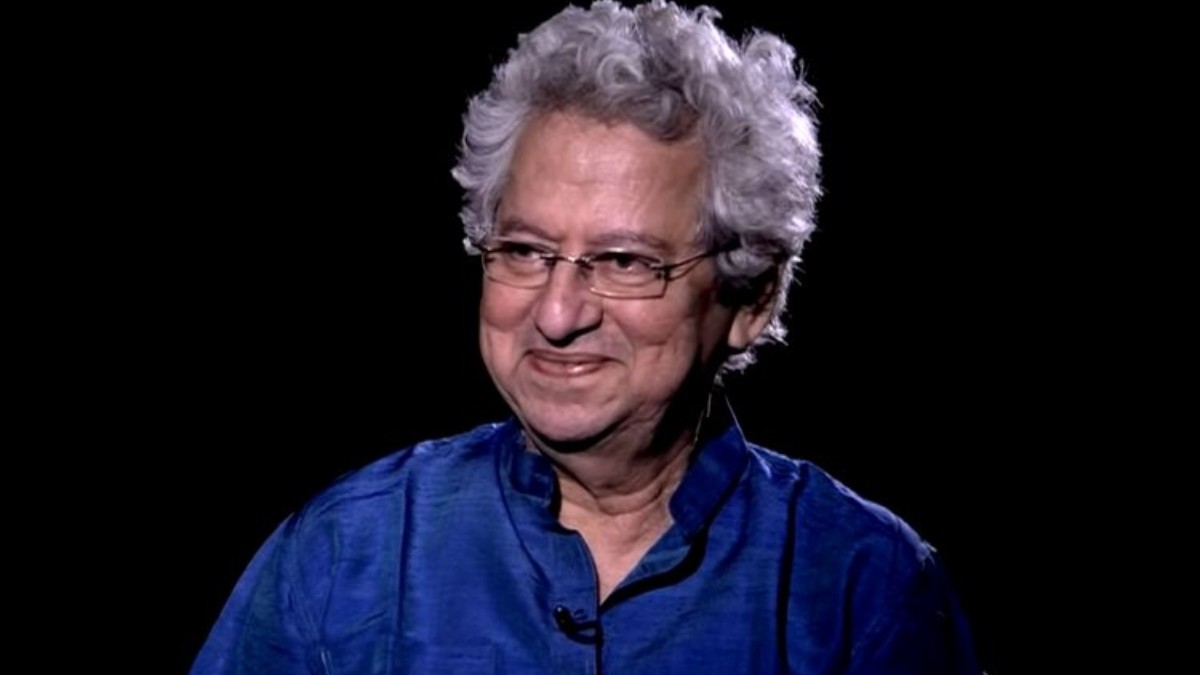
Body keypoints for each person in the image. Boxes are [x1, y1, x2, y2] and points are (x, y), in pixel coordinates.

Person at [191, 1, 980, 673]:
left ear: (751, 297)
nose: (558, 314)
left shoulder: (864, 590)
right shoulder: (342, 554)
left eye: (625, 261)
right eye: (525, 250)